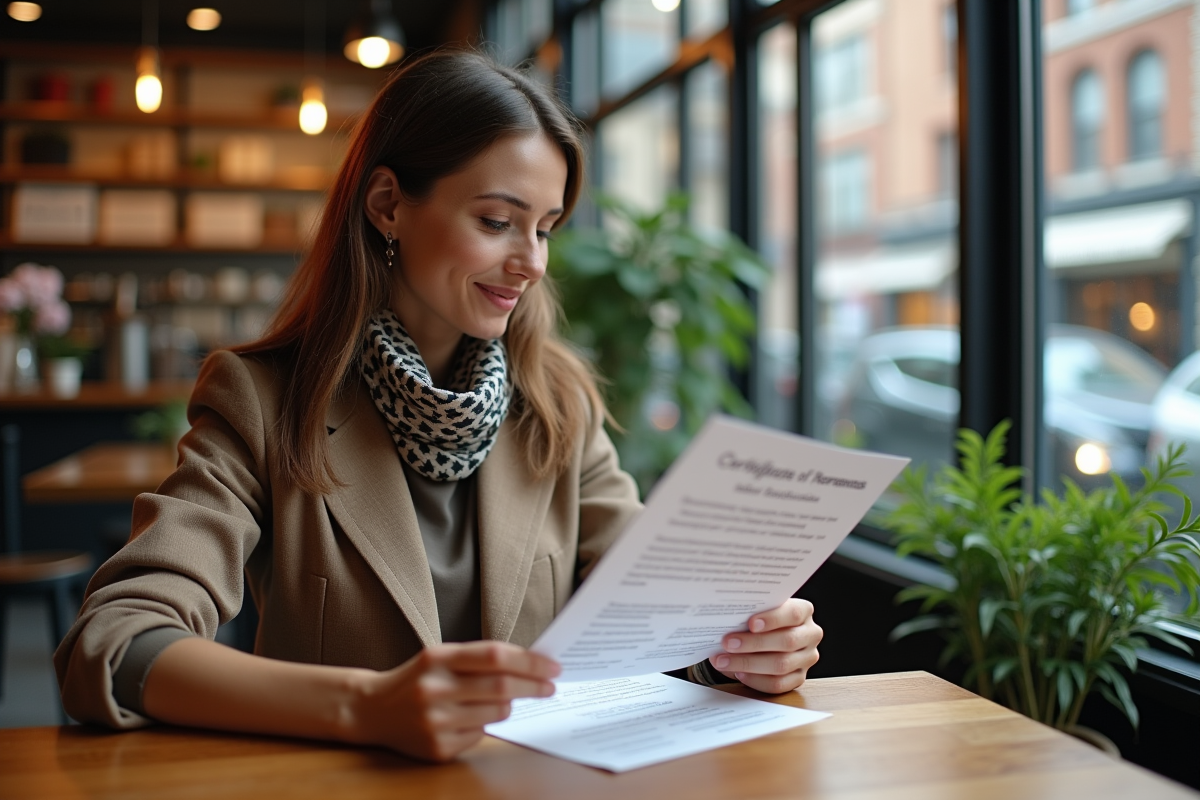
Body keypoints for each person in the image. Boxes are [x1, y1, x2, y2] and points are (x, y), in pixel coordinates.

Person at [54, 50, 822, 763]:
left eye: (545, 229)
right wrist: (362, 706)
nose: (531, 262)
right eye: (497, 222)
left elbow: (656, 607)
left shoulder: (557, 404)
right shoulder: (262, 399)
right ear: (388, 204)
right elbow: (114, 644)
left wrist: (739, 646)